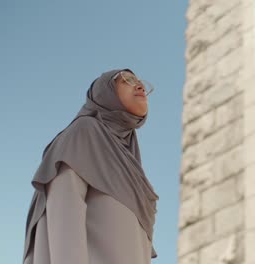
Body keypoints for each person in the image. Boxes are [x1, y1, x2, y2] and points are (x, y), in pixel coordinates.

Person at [22, 69, 159, 264]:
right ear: (105, 92)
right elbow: (63, 218)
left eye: (141, 82)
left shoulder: (131, 166)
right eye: (126, 80)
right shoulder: (84, 133)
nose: (140, 85)